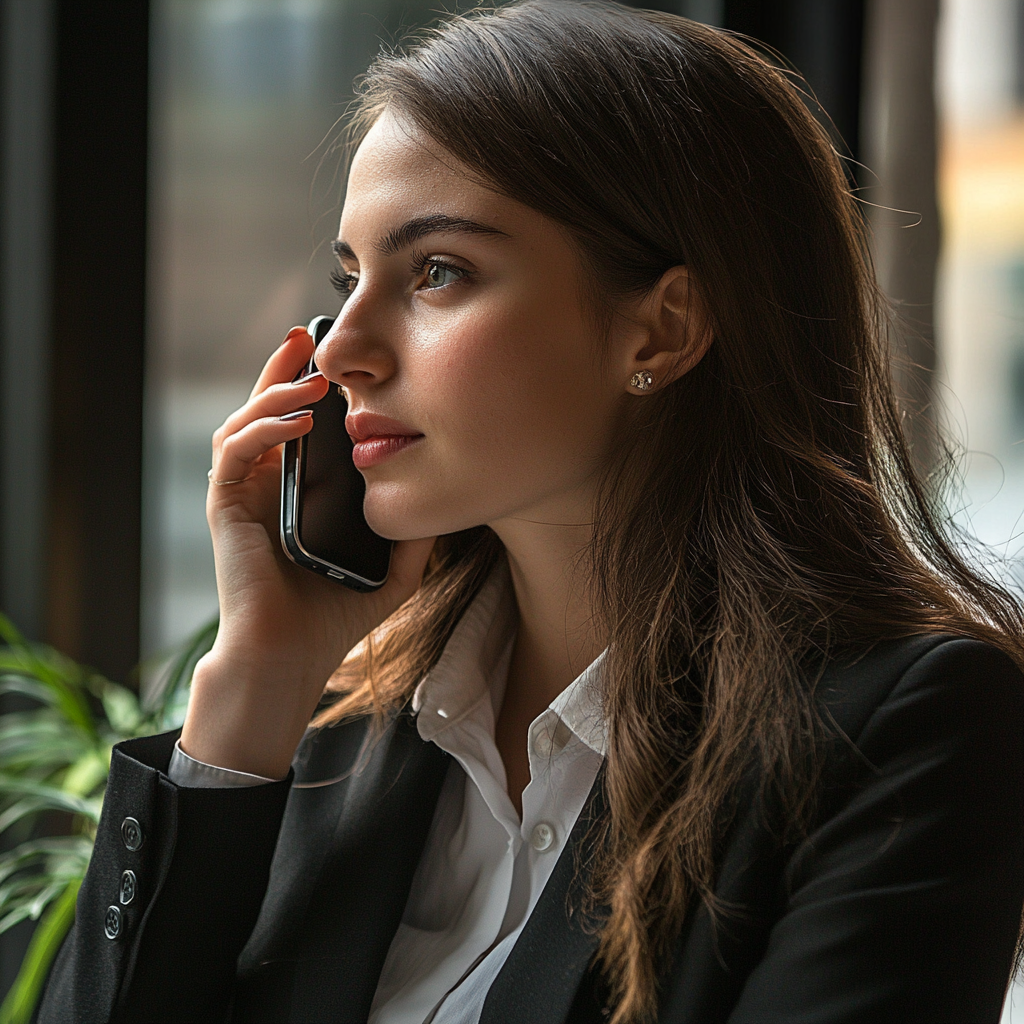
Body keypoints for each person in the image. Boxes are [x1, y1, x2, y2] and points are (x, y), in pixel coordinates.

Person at [37, 2, 1024, 1022]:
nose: (339, 351)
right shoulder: (330, 721)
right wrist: (253, 689)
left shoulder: (897, 729)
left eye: (436, 272)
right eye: (350, 277)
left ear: (662, 326)